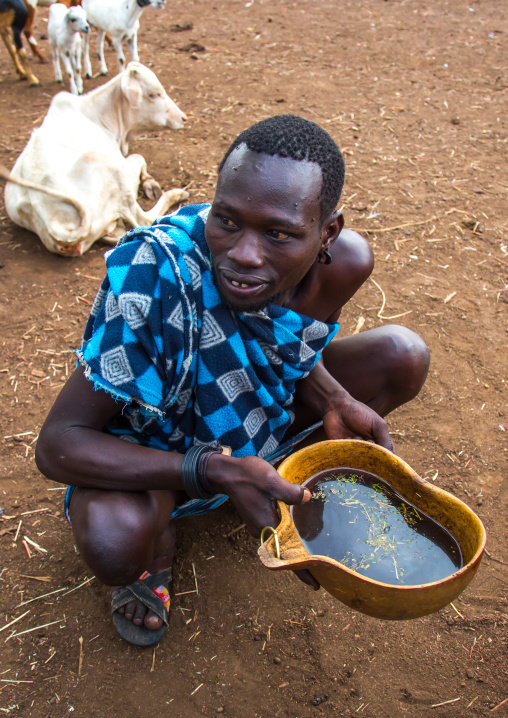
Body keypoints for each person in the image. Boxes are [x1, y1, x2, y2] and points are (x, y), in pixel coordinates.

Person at [35, 115, 429, 646]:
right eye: (226, 220)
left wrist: (334, 397)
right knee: (115, 543)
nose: (243, 254)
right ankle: (168, 530)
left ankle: (286, 483)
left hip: (257, 423)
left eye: (279, 233)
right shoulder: (158, 273)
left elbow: (277, 346)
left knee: (403, 357)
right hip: (159, 447)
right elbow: (57, 446)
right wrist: (211, 469)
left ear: (327, 233)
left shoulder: (342, 265)